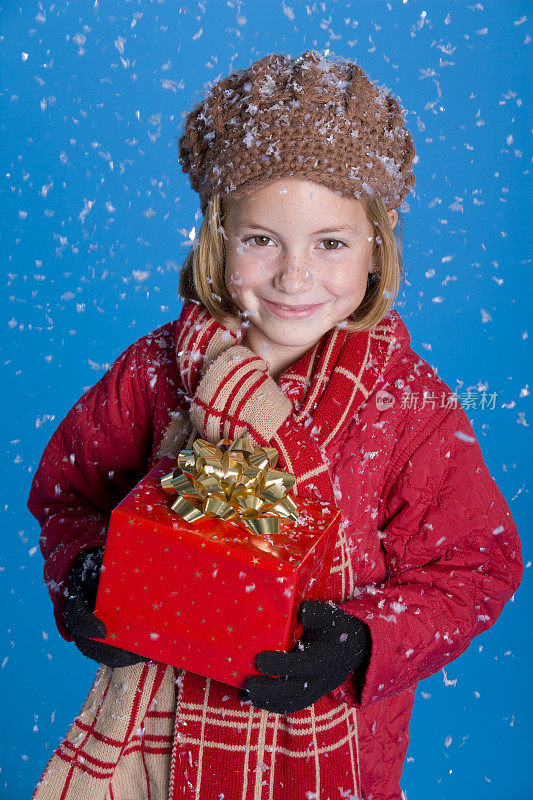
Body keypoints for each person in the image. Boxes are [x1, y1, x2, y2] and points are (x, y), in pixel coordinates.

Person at [27, 50, 523, 800]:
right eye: (262, 240)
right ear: (218, 235)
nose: (295, 277)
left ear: (375, 244)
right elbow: (69, 497)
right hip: (162, 745)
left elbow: (476, 566)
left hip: (336, 750)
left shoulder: (406, 400)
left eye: (330, 243)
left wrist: (362, 641)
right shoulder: (156, 371)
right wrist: (85, 575)